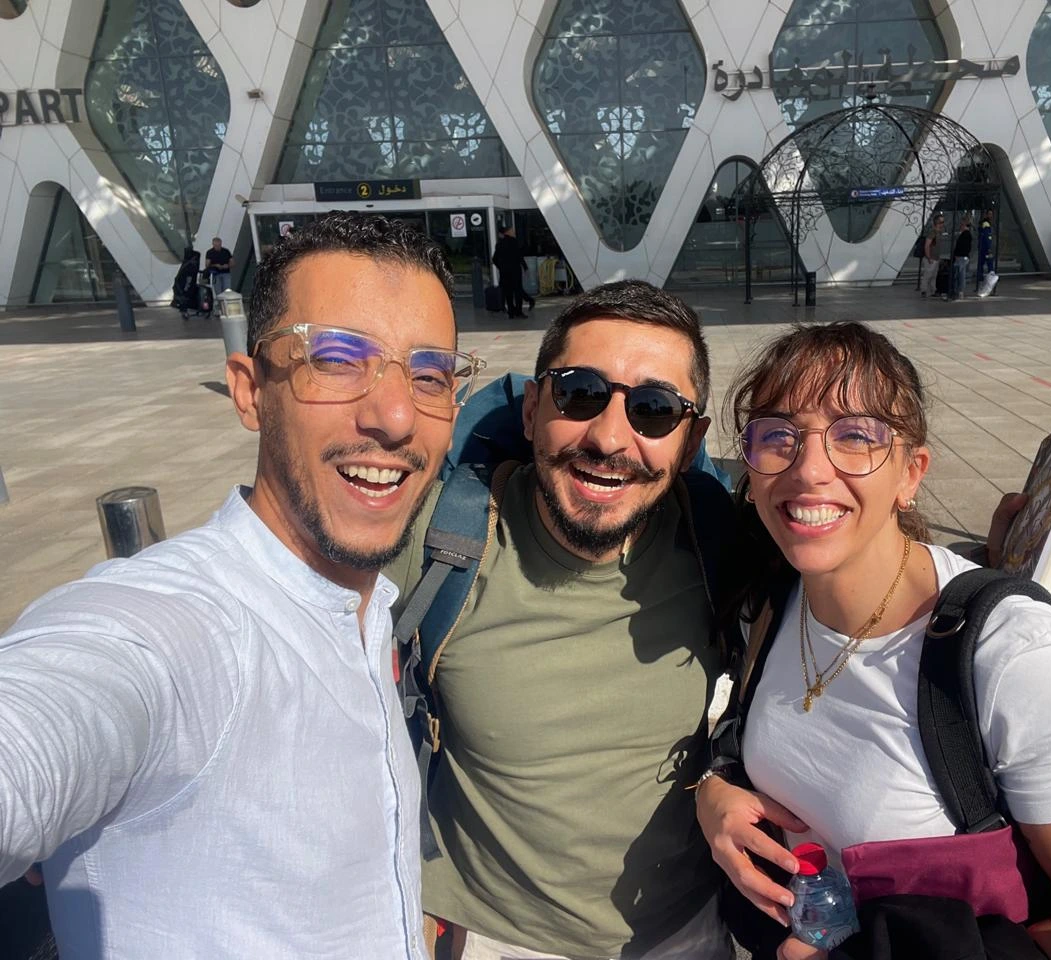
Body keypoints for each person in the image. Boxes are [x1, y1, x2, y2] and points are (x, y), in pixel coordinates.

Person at [0, 213, 483, 958]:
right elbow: (53, 712)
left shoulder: (372, 609)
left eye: (428, 376)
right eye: (337, 358)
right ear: (251, 390)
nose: (394, 416)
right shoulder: (175, 627)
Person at [696, 321, 1051, 960]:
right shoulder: (773, 597)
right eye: (779, 435)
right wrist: (715, 788)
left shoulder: (1013, 657)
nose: (810, 468)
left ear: (910, 473)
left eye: (855, 436)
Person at [396, 281, 734, 960]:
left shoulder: (717, 541)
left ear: (692, 438)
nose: (610, 438)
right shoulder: (437, 540)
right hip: (499, 937)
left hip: (686, 933)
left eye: (654, 410)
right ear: (531, 410)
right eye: (580, 393)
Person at [492, 225, 531, 318]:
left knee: (508, 293)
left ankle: (511, 312)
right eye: (512, 231)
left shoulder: (499, 244)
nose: (514, 232)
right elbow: (519, 256)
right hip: (515, 271)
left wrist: (501, 267)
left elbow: (494, 259)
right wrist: (525, 267)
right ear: (507, 232)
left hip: (504, 272)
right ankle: (518, 311)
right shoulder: (514, 242)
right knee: (517, 292)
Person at [171, 245, 202, 319]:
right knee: (186, 294)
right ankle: (185, 310)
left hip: (184, 285)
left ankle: (184, 310)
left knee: (185, 294)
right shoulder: (193, 260)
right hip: (187, 284)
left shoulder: (188, 262)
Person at [918, 215, 944, 298]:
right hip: (931, 258)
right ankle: (924, 290)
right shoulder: (932, 232)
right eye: (941, 222)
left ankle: (934, 290)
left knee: (934, 276)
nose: (942, 224)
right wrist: (929, 257)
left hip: (936, 258)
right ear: (936, 223)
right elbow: (927, 245)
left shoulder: (939, 232)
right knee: (928, 275)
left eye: (943, 222)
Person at [949, 216, 972, 301]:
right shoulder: (964, 234)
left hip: (961, 257)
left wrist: (959, 254)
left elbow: (964, 247)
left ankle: (960, 291)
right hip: (961, 256)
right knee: (959, 274)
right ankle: (958, 290)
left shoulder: (966, 234)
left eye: (962, 224)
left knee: (960, 275)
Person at [976, 208, 995, 291]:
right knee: (990, 267)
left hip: (982, 248)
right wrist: (989, 248)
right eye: (989, 214)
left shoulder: (983, 223)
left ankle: (979, 285)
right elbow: (988, 237)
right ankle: (989, 285)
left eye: (991, 214)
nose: (991, 216)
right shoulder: (986, 224)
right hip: (986, 248)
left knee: (980, 266)